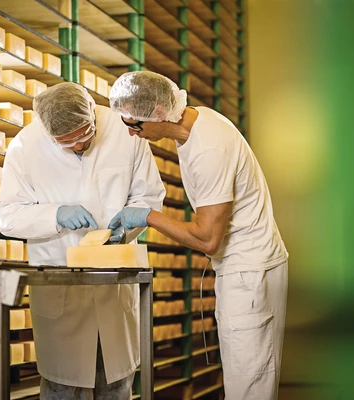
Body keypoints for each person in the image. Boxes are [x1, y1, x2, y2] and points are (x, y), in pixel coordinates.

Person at [108, 71, 288, 400]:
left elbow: (208, 240)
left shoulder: (208, 149)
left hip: (248, 270)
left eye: (134, 125)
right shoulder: (197, 121)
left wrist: (148, 216)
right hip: (249, 264)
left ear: (159, 113)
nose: (133, 134)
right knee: (247, 374)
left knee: (249, 382)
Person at [0, 82, 165, 400]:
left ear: (93, 114)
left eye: (85, 137)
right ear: (49, 134)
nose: (79, 147)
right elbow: (7, 216)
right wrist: (54, 215)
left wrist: (126, 229)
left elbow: (149, 195)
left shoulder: (124, 132)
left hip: (114, 283)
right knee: (62, 386)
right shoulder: (25, 147)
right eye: (67, 144)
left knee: (116, 383)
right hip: (61, 288)